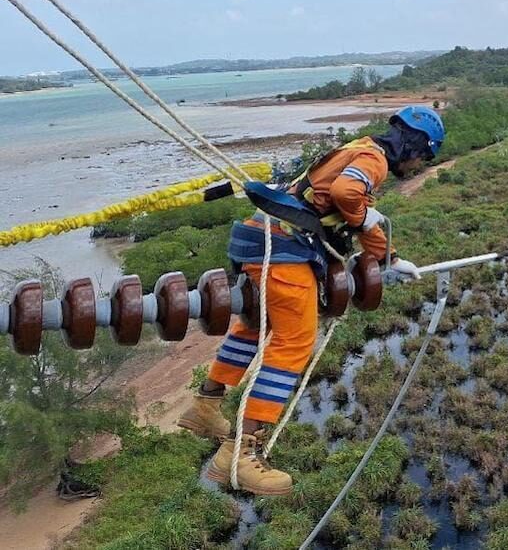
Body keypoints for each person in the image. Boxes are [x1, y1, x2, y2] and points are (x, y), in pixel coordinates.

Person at [176, 106, 444, 495]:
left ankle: (205, 405)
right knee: (295, 343)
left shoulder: (359, 146)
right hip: (285, 250)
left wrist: (391, 258)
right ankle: (240, 453)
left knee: (256, 326)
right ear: (415, 145)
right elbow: (347, 194)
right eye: (425, 155)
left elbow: (348, 209)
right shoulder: (375, 159)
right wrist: (367, 217)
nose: (420, 164)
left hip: (258, 238)